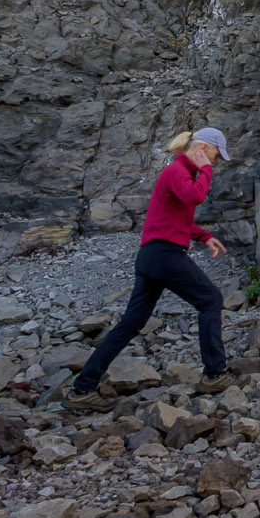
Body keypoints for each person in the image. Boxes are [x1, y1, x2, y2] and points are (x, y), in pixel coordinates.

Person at [65, 128, 234, 408]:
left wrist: (204, 236)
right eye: (216, 155)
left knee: (130, 323)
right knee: (211, 300)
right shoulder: (178, 171)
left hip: (151, 257)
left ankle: (82, 390)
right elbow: (194, 197)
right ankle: (215, 374)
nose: (216, 162)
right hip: (165, 255)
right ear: (204, 148)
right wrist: (205, 170)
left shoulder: (177, 173)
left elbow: (174, 218)